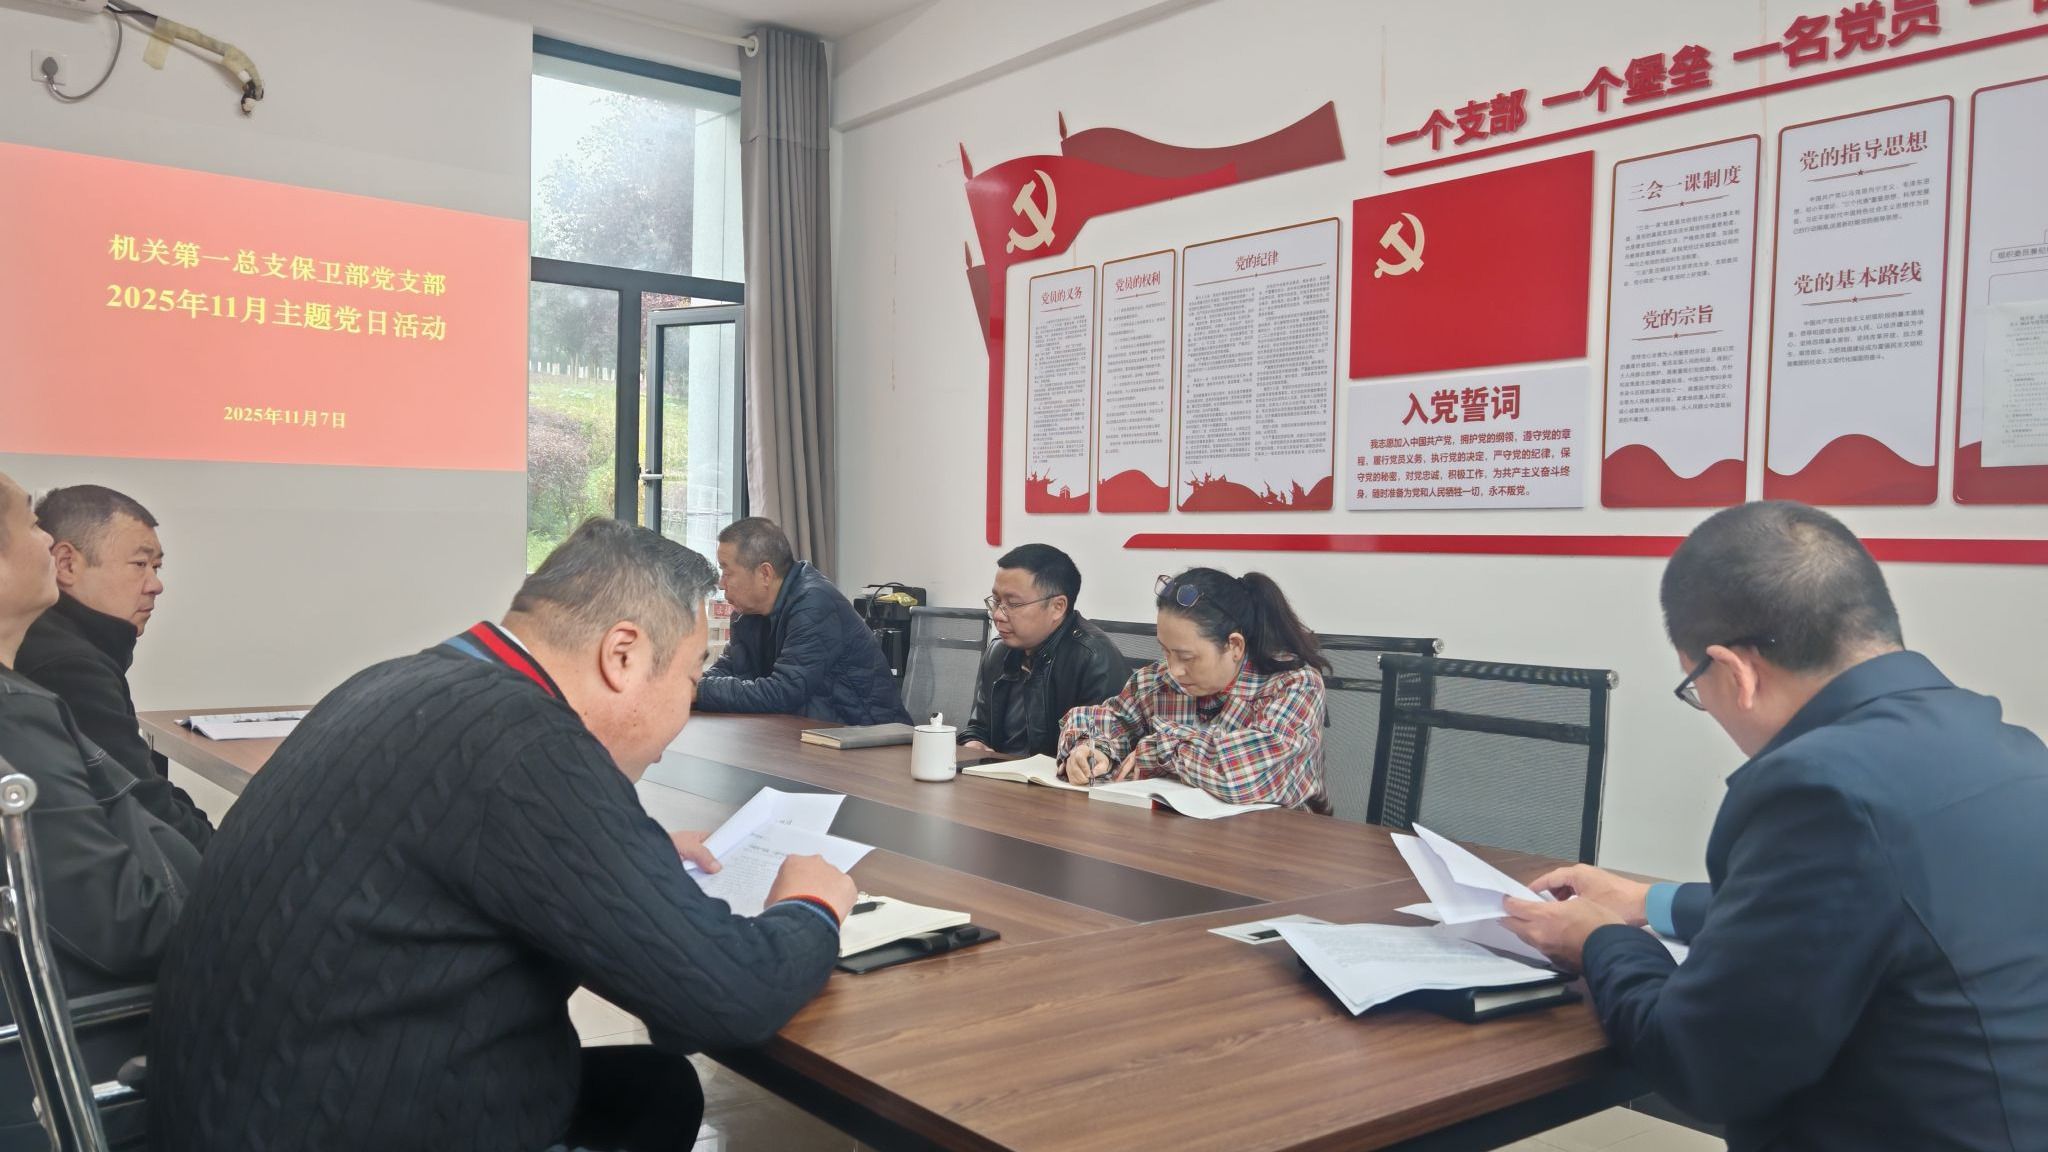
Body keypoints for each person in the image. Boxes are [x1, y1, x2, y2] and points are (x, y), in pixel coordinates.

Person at [148, 518, 857, 1152]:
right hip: (346, 1119)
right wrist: (811, 905)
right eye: (691, 676)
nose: (689, 701)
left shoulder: (398, 683)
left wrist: (617, 849)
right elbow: (723, 997)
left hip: (238, 1104)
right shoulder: (526, 744)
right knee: (656, 1089)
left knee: (653, 1090)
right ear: (622, 655)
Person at [1502, 501, 2048, 1152]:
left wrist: (1598, 941)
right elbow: (1859, 908)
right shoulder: (2006, 746)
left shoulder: (1819, 787)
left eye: (1694, 689)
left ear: (1734, 671)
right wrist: (1650, 902)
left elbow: (1701, 1065)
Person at [0, 471, 204, 1144]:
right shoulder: (21, 709)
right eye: (30, 526)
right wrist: (238, 905)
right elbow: (120, 918)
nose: (45, 541)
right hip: (103, 1039)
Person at [16, 484, 213, 848]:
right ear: (66, 564)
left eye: (156, 567)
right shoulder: (70, 666)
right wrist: (226, 854)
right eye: (140, 564)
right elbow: (145, 810)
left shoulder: (63, 642)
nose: (156, 585)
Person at [1059, 568, 1330, 811]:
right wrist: (1090, 749)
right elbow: (1105, 719)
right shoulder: (1157, 681)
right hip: (1177, 834)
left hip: (1276, 839)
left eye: (1186, 657)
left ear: (1234, 646)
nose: (1174, 669)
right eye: (1166, 651)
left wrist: (1160, 748)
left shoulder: (1294, 684)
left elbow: (1246, 774)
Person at [696, 516, 909, 726]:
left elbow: (784, 692)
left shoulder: (814, 603)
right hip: (805, 733)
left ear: (765, 574)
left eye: (726, 572)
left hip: (870, 737)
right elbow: (730, 667)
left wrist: (698, 691)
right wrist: (691, 685)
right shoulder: (748, 611)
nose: (721, 584)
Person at [959, 543, 1125, 758]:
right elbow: (978, 727)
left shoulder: (1094, 659)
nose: (998, 615)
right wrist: (974, 743)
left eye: (1013, 604)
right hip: (995, 773)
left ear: (1057, 607)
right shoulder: (999, 651)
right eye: (997, 601)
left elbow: (1100, 751)